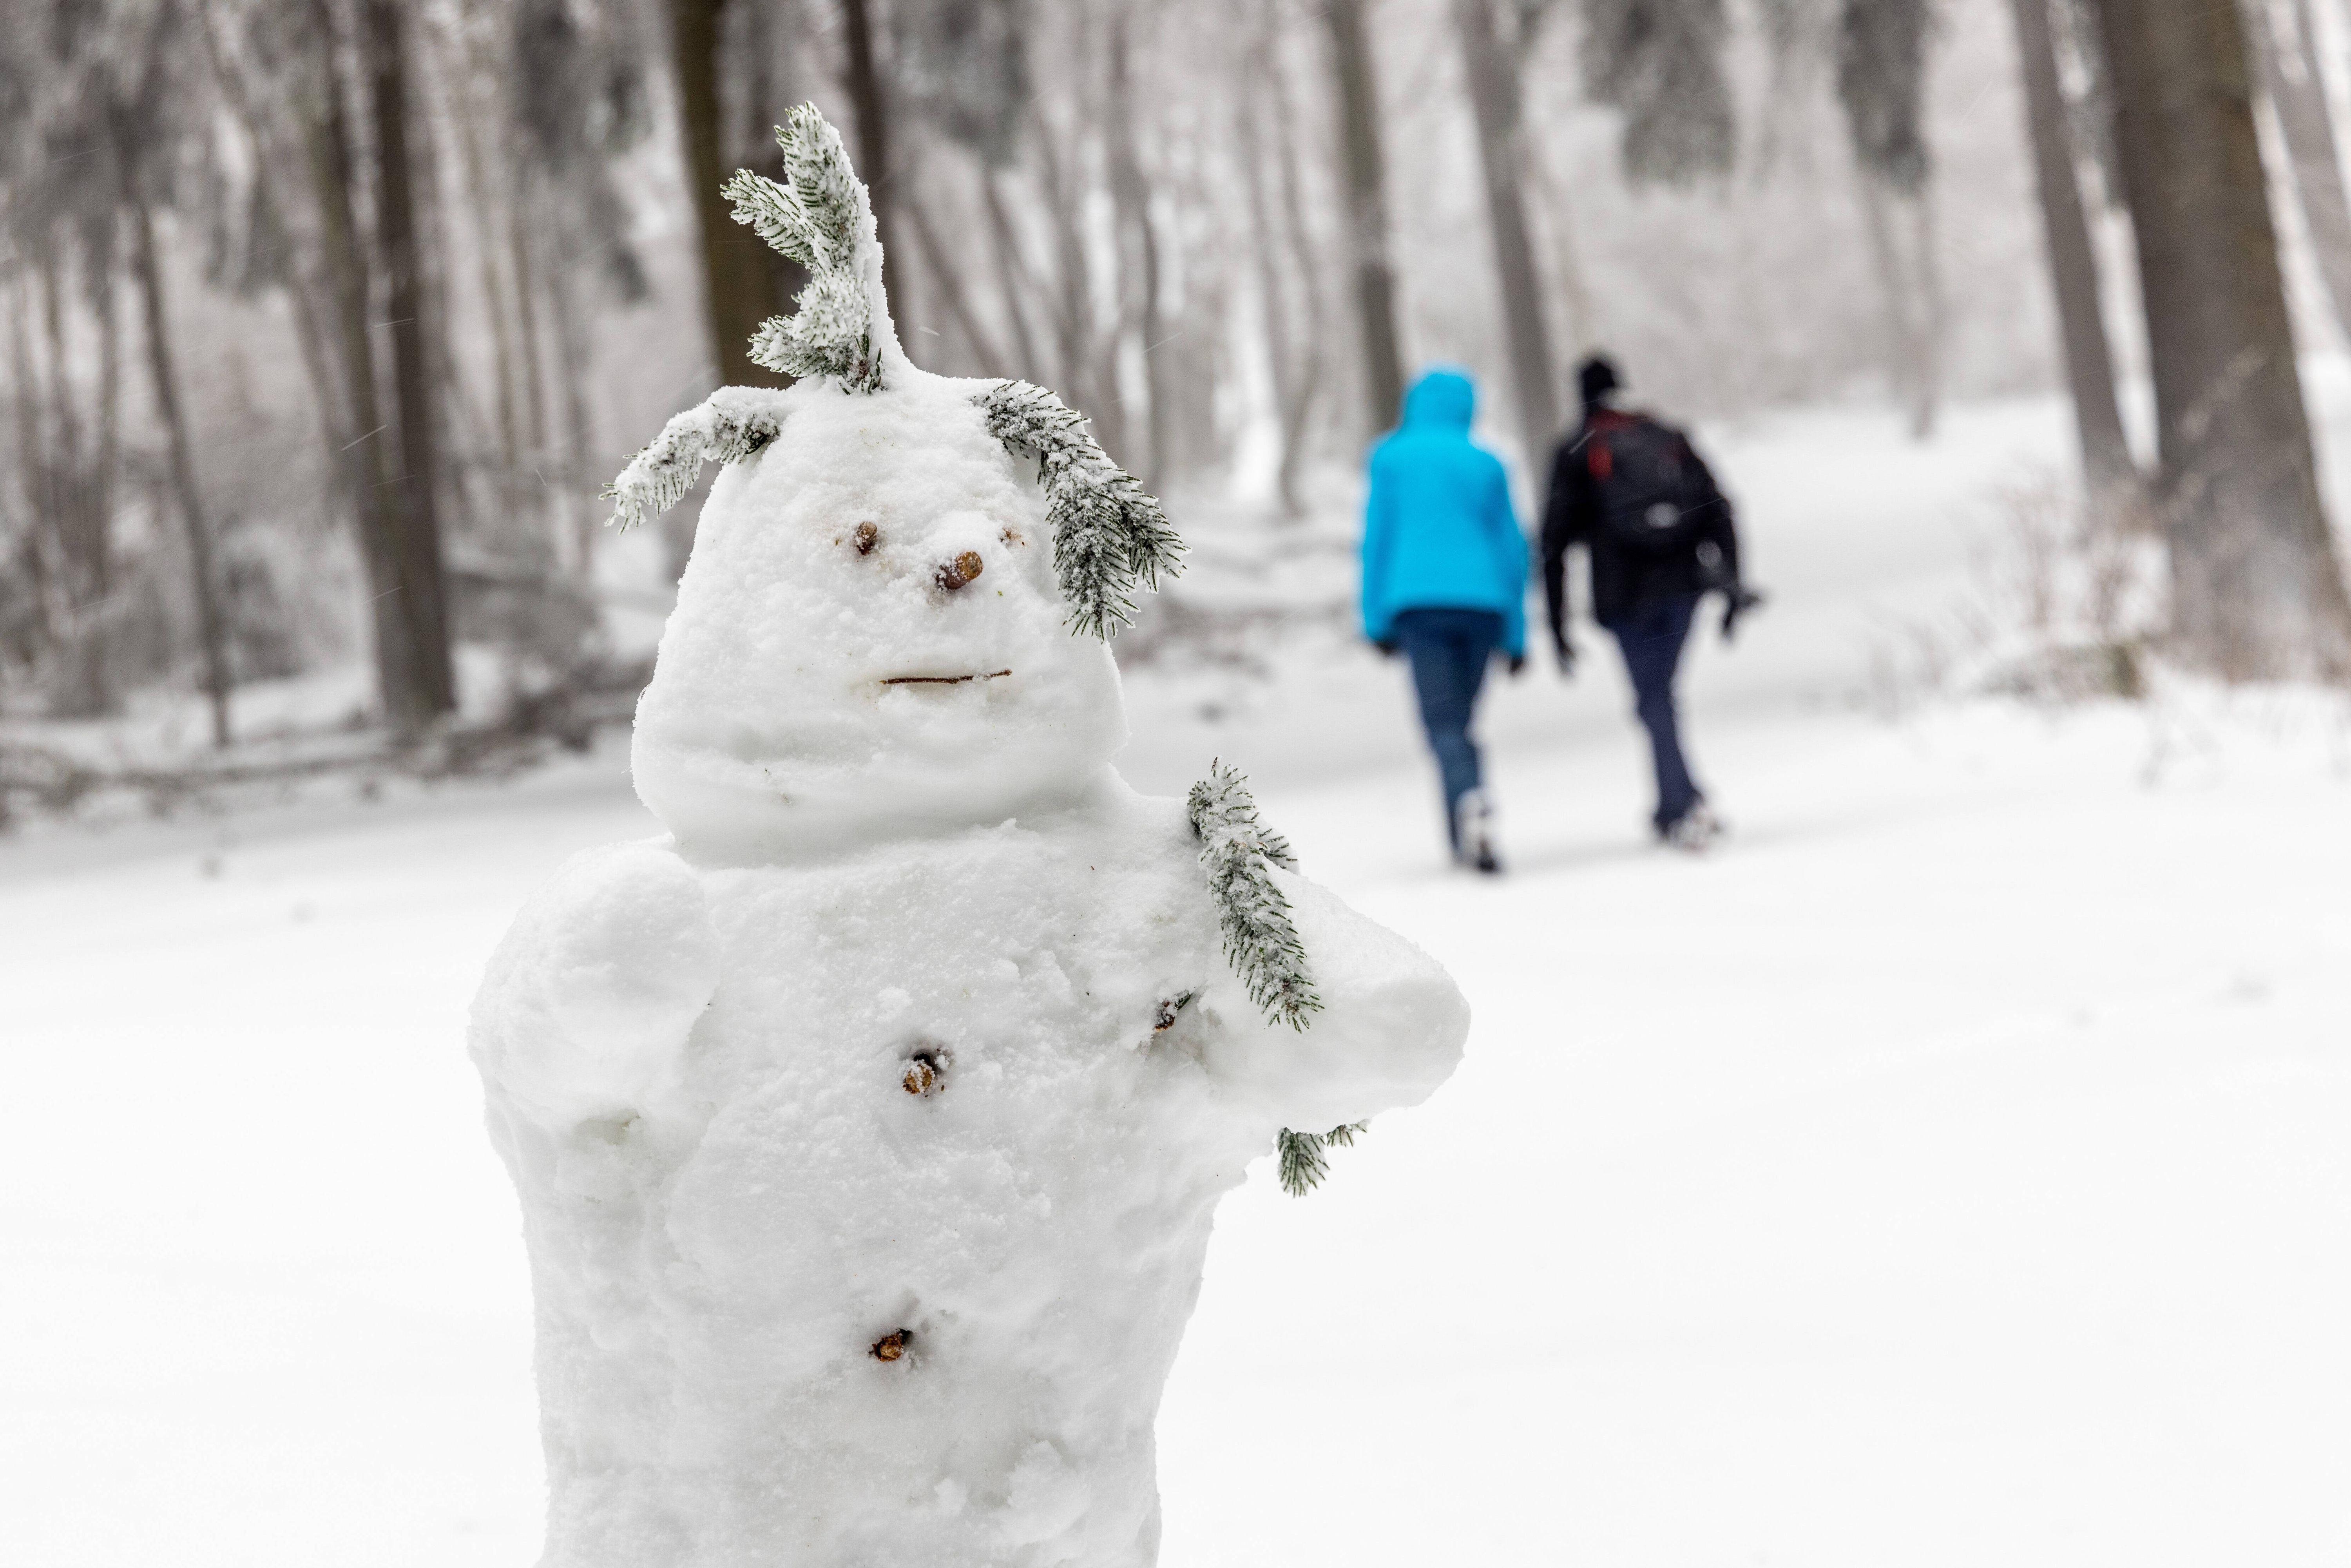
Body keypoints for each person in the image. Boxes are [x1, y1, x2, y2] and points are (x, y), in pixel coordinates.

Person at [1541, 354, 1760, 851]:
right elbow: (1719, 508)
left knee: (1654, 699)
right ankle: (1678, 801)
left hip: (1624, 598)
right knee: (1660, 697)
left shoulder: (1577, 448)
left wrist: (1557, 626)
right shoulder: (1667, 436)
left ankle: (1683, 807)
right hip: (1683, 586)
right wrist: (1732, 584)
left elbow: (1553, 543)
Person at [1360, 367, 1528, 873]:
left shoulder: (1389, 458)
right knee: (1460, 722)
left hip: (1419, 604)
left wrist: (1375, 620)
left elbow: (1376, 542)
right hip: (1484, 605)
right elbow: (1513, 550)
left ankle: (1470, 805)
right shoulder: (1487, 463)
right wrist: (1517, 633)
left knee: (1444, 723)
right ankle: (1468, 825)